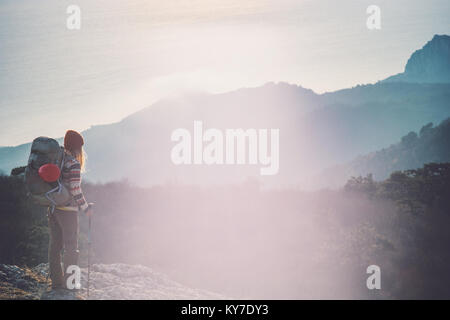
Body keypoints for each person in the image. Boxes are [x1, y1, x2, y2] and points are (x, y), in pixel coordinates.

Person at [48, 130, 93, 290]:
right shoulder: (73, 163)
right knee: (71, 247)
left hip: (53, 208)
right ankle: (70, 283)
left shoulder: (59, 160)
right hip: (68, 211)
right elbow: (75, 189)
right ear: (77, 147)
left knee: (55, 246)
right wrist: (86, 207)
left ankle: (56, 283)